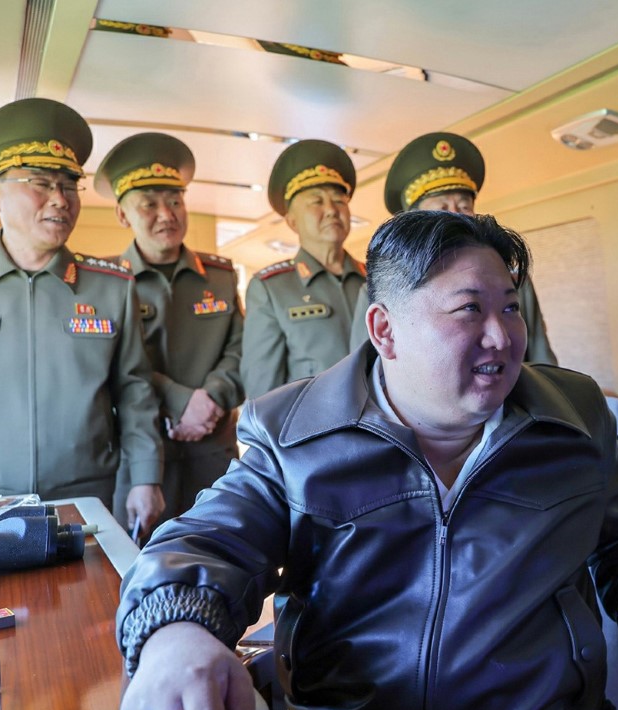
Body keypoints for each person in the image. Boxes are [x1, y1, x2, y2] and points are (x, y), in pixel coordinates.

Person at [116, 211, 618, 710]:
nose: (501, 337)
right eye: (469, 310)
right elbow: (206, 542)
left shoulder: (574, 417)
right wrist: (177, 636)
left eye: (510, 308)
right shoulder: (294, 435)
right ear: (385, 330)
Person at [0, 98, 163, 515]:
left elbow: (134, 391)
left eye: (69, 186)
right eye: (40, 183)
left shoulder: (112, 287)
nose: (60, 199)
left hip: (84, 494)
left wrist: (146, 478)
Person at [94, 133, 245, 539]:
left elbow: (242, 350)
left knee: (223, 557)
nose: (167, 214)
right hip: (140, 460)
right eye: (149, 204)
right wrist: (182, 401)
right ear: (123, 215)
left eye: (175, 201)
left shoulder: (220, 276)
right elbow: (112, 365)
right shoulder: (104, 282)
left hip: (212, 451)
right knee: (140, 563)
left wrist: (211, 399)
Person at [348, 131, 558, 364]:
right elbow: (366, 370)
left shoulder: (513, 281)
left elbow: (542, 361)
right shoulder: (380, 289)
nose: (457, 217)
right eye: (442, 209)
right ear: (413, 222)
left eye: (464, 207)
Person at [240, 140, 366, 399]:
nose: (331, 210)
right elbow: (263, 392)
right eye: (316, 201)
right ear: (292, 221)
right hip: (312, 423)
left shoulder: (376, 278)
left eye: (339, 200)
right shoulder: (272, 289)